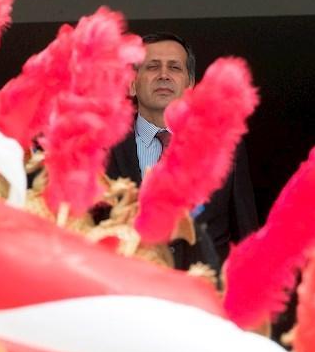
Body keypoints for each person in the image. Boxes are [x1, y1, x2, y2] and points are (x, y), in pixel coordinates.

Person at [106, 32, 259, 269]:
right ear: (132, 83)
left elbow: (246, 231)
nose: (164, 75)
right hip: (127, 294)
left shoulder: (225, 144)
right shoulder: (105, 143)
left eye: (175, 68)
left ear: (190, 85)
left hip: (202, 295)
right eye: (152, 67)